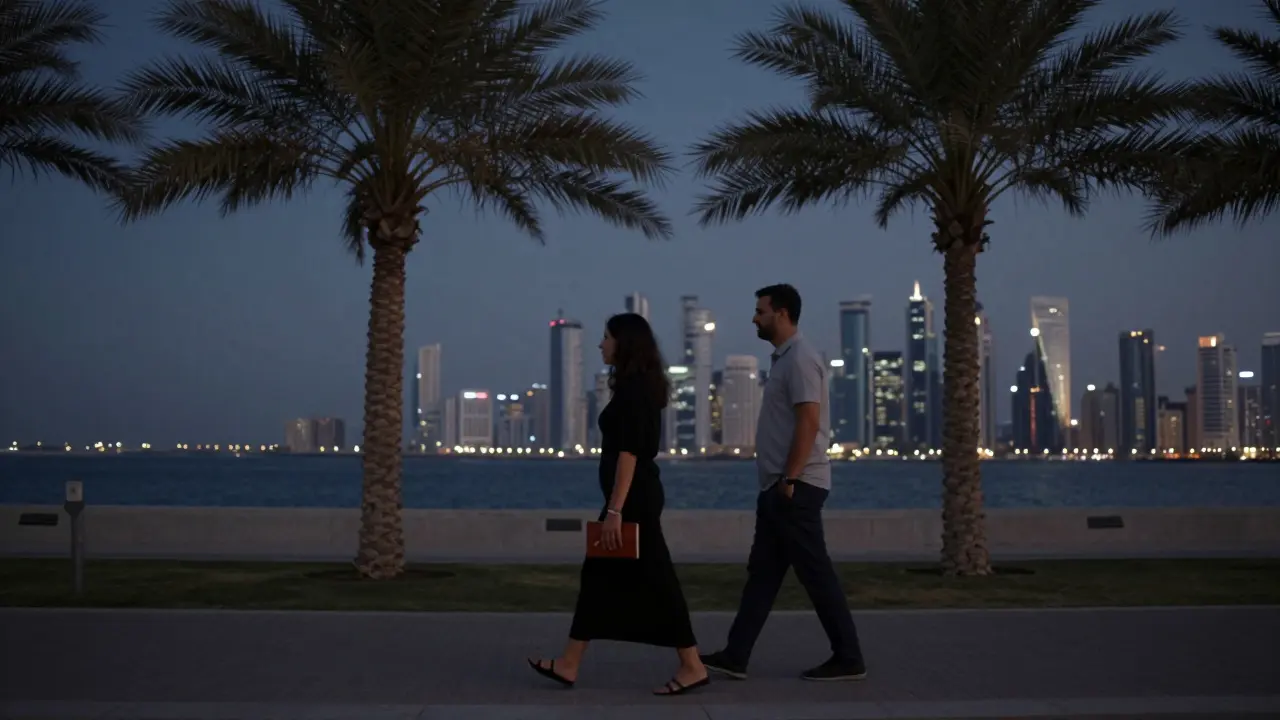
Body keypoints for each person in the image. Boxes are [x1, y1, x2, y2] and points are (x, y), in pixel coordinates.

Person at [527, 312, 710, 697]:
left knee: (654, 581)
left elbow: (629, 454)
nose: (600, 344)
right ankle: (570, 663)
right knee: (604, 577)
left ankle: (691, 665)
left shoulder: (634, 391)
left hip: (633, 500)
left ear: (623, 343)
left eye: (606, 337)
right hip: (634, 497)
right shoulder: (636, 385)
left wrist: (614, 512)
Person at [700, 284, 868, 682]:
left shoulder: (801, 360)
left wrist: (790, 479)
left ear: (783, 313)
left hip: (796, 486)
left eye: (760, 311)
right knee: (763, 573)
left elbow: (809, 422)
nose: (754, 318)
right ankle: (736, 654)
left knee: (816, 574)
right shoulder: (783, 360)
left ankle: (849, 657)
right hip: (778, 486)